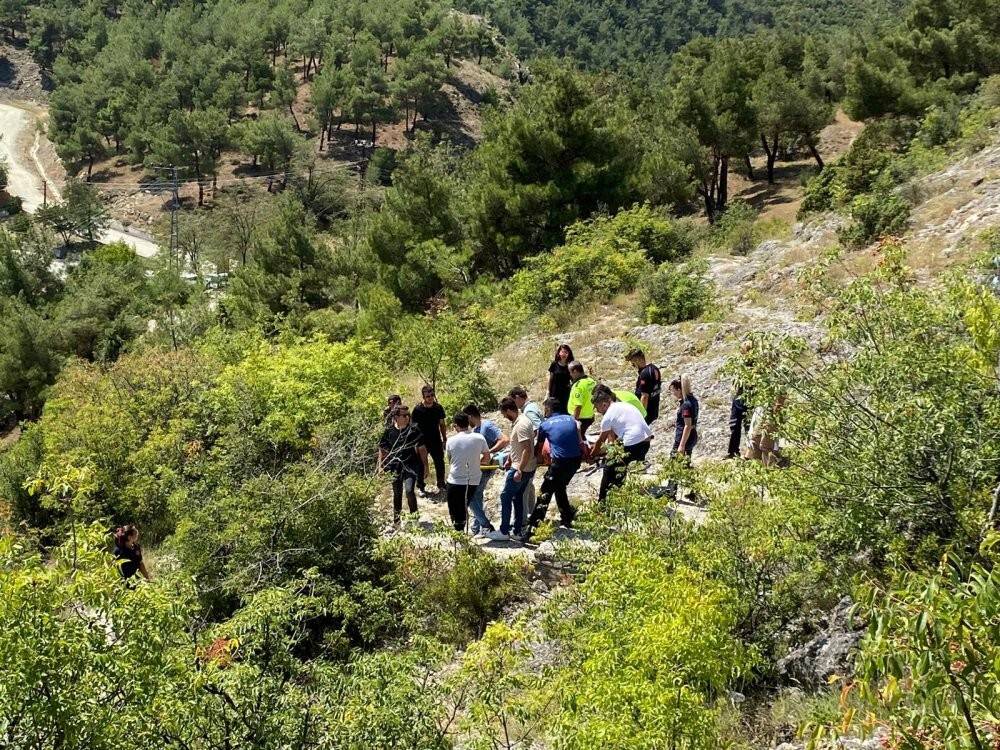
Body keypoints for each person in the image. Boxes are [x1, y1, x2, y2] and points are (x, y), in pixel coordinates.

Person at [526, 397, 583, 532]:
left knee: (545, 492)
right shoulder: (571, 419)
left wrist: (536, 460)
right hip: (575, 461)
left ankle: (534, 525)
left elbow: (539, 448)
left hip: (560, 463)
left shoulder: (545, 425)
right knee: (559, 486)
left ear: (549, 409)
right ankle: (567, 516)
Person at [590, 385, 654, 502]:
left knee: (608, 469)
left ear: (604, 404)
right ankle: (619, 493)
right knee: (620, 468)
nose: (597, 411)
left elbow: (600, 441)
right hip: (646, 441)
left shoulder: (608, 416)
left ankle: (602, 503)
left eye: (597, 407)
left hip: (633, 443)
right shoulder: (624, 405)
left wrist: (592, 455)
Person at [491, 397, 537, 541]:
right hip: (523, 466)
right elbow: (516, 446)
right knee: (517, 498)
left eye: (505, 414)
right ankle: (517, 531)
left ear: (510, 410)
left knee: (505, 497)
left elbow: (527, 450)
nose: (505, 417)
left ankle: (504, 531)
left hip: (521, 469)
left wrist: (519, 470)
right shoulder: (519, 422)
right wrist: (510, 459)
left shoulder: (521, 424)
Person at [462, 404, 510, 536]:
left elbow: (505, 439)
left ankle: (485, 525)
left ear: (470, 416)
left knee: (470, 497)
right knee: (477, 496)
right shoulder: (476, 429)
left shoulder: (487, 426)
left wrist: (488, 452)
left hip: (485, 468)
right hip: (478, 467)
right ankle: (478, 527)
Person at [378, 404, 428, 522]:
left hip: (411, 465)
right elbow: (382, 449)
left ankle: (414, 518)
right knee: (397, 493)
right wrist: (380, 466)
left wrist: (426, 466)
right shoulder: (389, 431)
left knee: (410, 490)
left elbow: (422, 448)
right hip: (394, 466)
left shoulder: (414, 430)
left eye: (408, 415)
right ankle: (397, 520)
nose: (407, 417)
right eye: (404, 415)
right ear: (395, 417)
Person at [445, 413, 492, 532]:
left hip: (455, 480)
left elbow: (449, 460)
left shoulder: (451, 440)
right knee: (467, 504)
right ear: (468, 423)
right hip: (474, 479)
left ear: (455, 425)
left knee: (455, 508)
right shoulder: (479, 437)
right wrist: (477, 463)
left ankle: (459, 531)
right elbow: (487, 457)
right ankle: (479, 527)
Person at [666, 375, 699, 500]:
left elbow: (687, 425)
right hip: (691, 436)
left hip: (683, 438)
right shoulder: (693, 400)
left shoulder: (685, 405)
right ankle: (694, 490)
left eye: (673, 390)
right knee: (685, 464)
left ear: (679, 389)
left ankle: (671, 492)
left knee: (674, 463)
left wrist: (681, 445)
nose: (673, 393)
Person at [412, 385, 447, 495]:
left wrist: (444, 438)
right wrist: (415, 442)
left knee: (439, 462)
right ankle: (420, 486)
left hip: (436, 439)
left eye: (432, 395)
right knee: (421, 464)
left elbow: (442, 424)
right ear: (423, 396)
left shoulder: (438, 408)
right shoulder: (417, 410)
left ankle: (441, 484)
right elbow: (413, 427)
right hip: (421, 441)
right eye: (428, 396)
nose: (430, 398)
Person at [727, 341, 753, 459]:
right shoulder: (739, 364)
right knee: (735, 425)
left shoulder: (754, 366)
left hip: (748, 398)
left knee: (748, 426)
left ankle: (750, 452)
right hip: (738, 398)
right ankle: (733, 451)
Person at [626, 348, 662, 425]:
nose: (633, 365)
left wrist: (641, 417)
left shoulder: (645, 373)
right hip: (654, 410)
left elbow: (645, 396)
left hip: (646, 414)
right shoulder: (654, 369)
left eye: (633, 363)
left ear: (638, 360)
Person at [567, 361, 597, 437]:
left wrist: (574, 421)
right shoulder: (592, 381)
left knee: (577, 439)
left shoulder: (578, 386)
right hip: (590, 416)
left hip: (580, 418)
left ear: (575, 371)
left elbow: (578, 406)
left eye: (570, 372)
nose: (570, 375)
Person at [547, 344, 575, 414]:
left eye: (566, 352)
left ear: (569, 354)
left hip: (566, 393)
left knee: (565, 411)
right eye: (562, 352)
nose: (564, 354)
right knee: (554, 412)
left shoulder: (570, 365)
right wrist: (548, 391)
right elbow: (551, 378)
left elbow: (573, 379)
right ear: (559, 353)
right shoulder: (554, 364)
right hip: (555, 392)